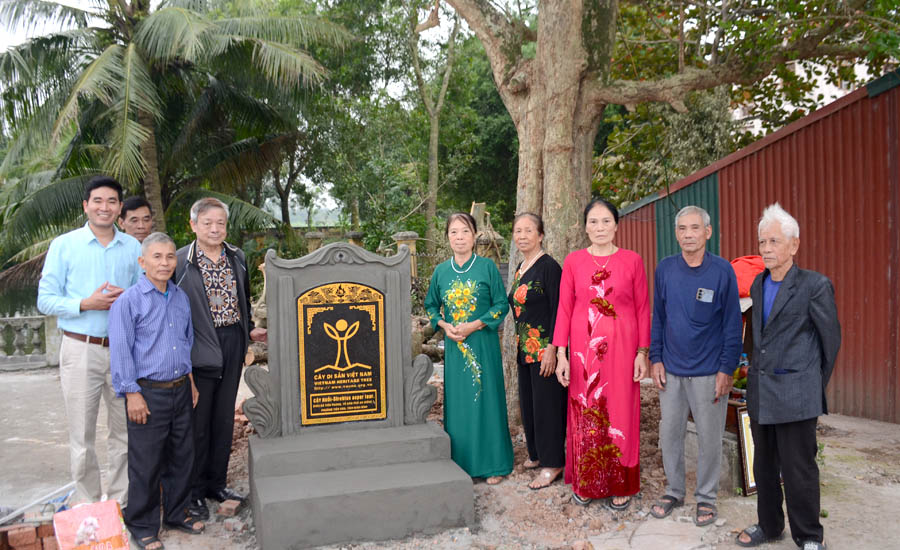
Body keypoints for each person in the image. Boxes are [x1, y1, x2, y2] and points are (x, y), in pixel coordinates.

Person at [736, 204, 840, 550]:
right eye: (762, 241)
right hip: (762, 393)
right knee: (763, 466)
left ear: (794, 245)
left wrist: (809, 384)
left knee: (799, 471)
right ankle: (769, 525)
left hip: (797, 396)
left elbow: (830, 342)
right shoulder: (757, 285)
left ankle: (809, 536)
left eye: (774, 242)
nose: (766, 248)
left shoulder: (814, 286)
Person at [37, 176, 142, 506]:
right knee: (82, 435)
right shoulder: (64, 245)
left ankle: (121, 506)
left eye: (112, 201)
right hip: (81, 349)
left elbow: (144, 296)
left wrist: (130, 298)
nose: (104, 207)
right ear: (86, 206)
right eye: (98, 201)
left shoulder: (133, 248)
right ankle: (87, 505)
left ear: (120, 208)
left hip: (124, 352)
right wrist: (85, 303)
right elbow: (46, 300)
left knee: (123, 433)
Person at [553, 198, 650, 508]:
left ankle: (621, 482)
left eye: (606, 221)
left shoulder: (632, 260)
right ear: (585, 227)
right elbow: (565, 309)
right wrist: (561, 354)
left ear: (616, 225)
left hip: (622, 353)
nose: (599, 227)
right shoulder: (573, 261)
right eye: (593, 221)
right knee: (586, 411)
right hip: (583, 355)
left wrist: (642, 352)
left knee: (621, 411)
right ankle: (587, 481)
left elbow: (643, 308)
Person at [109, 233, 204, 550]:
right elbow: (121, 351)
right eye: (157, 257)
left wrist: (189, 380)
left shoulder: (179, 297)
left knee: (182, 456)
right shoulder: (129, 301)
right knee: (146, 462)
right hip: (147, 394)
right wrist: (131, 393)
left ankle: (177, 513)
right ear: (142, 262)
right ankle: (142, 524)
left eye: (169, 257)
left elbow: (186, 343)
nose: (164, 263)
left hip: (180, 389)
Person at [648, 205, 742, 526]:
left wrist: (726, 369)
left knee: (709, 436)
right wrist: (655, 358)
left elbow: (732, 324)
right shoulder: (665, 269)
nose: (688, 235)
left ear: (708, 232)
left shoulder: (722, 271)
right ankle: (674, 491)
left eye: (694, 228)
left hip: (709, 372)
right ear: (676, 234)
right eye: (682, 229)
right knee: (670, 432)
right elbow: (658, 317)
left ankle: (706, 497)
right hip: (671, 371)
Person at [175, 197, 267, 520]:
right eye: (207, 223)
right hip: (199, 345)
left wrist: (250, 331)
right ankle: (195, 491)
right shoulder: (180, 263)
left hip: (232, 342)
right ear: (193, 226)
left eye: (220, 223)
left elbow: (245, 297)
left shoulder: (236, 257)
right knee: (198, 422)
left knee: (224, 418)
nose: (214, 229)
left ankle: (216, 483)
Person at [424, 212, 512, 484]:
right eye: (453, 232)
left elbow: (501, 305)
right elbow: (430, 305)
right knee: (460, 404)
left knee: (487, 400)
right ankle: (461, 464)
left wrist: (475, 325)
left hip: (483, 344)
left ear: (474, 236)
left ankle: (493, 464)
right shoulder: (441, 272)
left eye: (464, 231)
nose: (459, 237)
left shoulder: (487, 267)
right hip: (454, 348)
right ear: (447, 237)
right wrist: (443, 325)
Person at [507, 213, 567, 490]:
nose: (522, 236)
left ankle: (553, 463)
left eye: (528, 230)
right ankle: (537, 453)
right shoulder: (521, 267)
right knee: (530, 406)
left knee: (548, 408)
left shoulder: (549, 267)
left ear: (540, 235)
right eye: (517, 231)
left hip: (545, 351)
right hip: (524, 349)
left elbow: (559, 310)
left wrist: (554, 349)